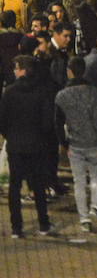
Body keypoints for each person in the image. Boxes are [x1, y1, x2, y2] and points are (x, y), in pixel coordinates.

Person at [55, 54, 97, 232]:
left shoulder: (62, 96)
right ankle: (95, 206)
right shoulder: (93, 92)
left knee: (79, 181)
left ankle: (84, 218)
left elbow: (57, 122)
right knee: (96, 177)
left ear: (69, 72)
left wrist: (63, 144)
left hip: (75, 144)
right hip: (94, 142)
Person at [0, 54, 53, 238]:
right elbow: (47, 122)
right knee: (38, 186)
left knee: (14, 187)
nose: (14, 71)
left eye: (16, 68)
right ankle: (44, 224)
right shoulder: (41, 92)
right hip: (36, 145)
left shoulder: (10, 93)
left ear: (22, 69)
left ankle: (17, 227)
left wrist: (10, 136)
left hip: (15, 146)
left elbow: (3, 121)